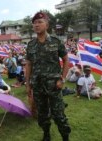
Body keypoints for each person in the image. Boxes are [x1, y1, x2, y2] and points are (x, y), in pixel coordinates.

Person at [25, 12, 71, 141]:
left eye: (40, 22)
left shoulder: (56, 42)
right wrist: (27, 84)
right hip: (38, 85)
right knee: (42, 114)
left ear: (47, 25)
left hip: (54, 85)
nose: (36, 25)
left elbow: (66, 60)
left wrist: (63, 78)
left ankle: (65, 137)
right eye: (34, 23)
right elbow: (28, 65)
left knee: (59, 114)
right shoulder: (31, 45)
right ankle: (46, 134)